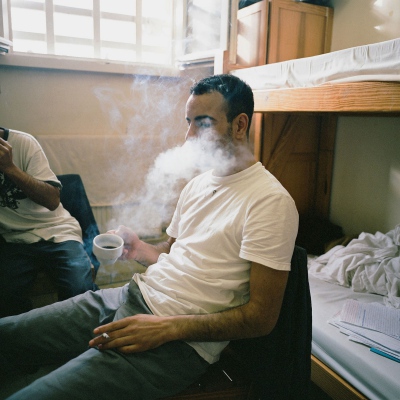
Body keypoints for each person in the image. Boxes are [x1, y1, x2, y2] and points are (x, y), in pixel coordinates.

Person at [0, 74, 298, 400]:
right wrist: (139, 247)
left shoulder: (270, 202)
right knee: (8, 333)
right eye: (188, 123)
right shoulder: (199, 185)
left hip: (177, 342)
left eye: (202, 123)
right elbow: (172, 252)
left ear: (239, 125)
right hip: (130, 296)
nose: (188, 136)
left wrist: (168, 327)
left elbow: (261, 318)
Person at [0, 127, 97, 317]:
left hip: (57, 231)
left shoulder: (23, 143)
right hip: (13, 238)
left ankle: (79, 332)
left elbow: (52, 200)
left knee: (79, 289)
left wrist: (10, 168)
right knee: (6, 299)